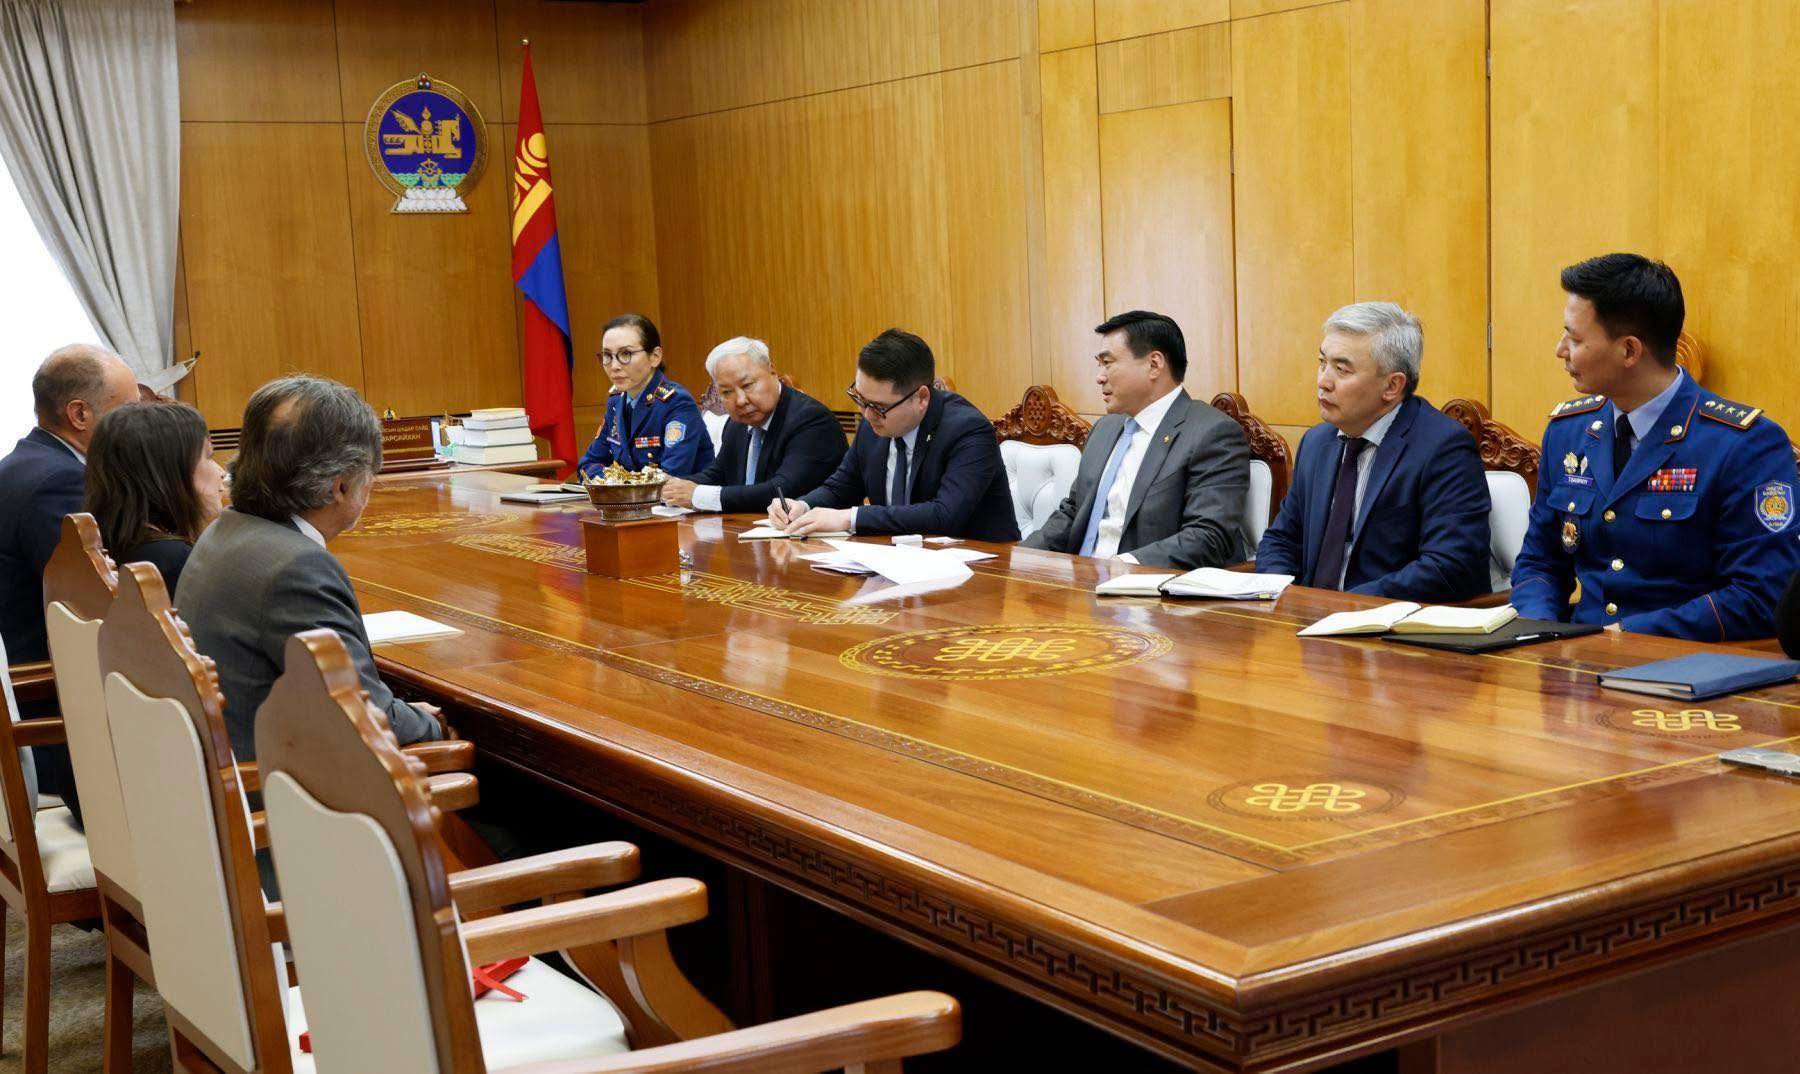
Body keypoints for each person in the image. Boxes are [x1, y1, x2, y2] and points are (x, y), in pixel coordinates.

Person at [1511, 253, 1800, 640]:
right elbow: (1541, 561)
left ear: (1630, 351)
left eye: (1575, 339)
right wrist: (1539, 631)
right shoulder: (1569, 431)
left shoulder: (1744, 445)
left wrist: (1623, 635)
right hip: (1576, 661)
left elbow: (1762, 595)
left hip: (1687, 664)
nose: (1560, 350)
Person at [178, 375, 445, 762]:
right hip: (276, 786)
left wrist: (398, 713)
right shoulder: (296, 568)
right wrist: (433, 727)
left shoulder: (225, 530)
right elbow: (368, 722)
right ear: (341, 487)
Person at [1255, 302, 1491, 601]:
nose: (1323, 381)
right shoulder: (1316, 443)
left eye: (1342, 369)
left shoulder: (1443, 448)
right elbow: (1281, 540)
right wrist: (1285, 596)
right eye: (1322, 362)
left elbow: (1450, 566)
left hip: (1386, 621)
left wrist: (1345, 607)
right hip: (1308, 619)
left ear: (1392, 386)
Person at [1022, 311, 1250, 567]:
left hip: (1146, 584)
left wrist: (1123, 566)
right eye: (1099, 365)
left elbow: (1208, 537)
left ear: (1154, 365)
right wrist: (1019, 557)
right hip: (1079, 581)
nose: (1099, 376)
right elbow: (1074, 511)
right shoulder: (1105, 429)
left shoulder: (1212, 433)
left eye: (1108, 363)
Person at [771, 329, 1018, 542]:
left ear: (921, 398)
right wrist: (803, 506)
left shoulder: (969, 430)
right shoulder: (874, 422)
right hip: (895, 561)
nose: (867, 414)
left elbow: (945, 515)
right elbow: (841, 487)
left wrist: (850, 517)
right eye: (861, 400)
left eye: (878, 406)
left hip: (979, 567)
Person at [0, 344, 138, 665]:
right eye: (130, 410)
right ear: (79, 414)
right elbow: (91, 604)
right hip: (45, 679)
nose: (139, 423)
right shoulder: (60, 483)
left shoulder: (21, 463)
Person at [660, 336, 845, 512]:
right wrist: (670, 486)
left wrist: (699, 496)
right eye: (727, 392)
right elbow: (718, 474)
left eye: (748, 385)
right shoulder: (737, 423)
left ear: (772, 371)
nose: (740, 400)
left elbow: (782, 490)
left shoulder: (810, 419)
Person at [86, 401, 227, 596]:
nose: (221, 471)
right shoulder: (174, 561)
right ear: (170, 472)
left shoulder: (108, 542)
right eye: (209, 457)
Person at [576, 313, 715, 478]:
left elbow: (671, 477)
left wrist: (618, 485)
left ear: (655, 357)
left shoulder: (676, 402)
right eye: (607, 355)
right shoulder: (616, 401)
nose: (614, 366)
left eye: (626, 354)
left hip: (680, 495)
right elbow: (587, 465)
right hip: (631, 495)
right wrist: (612, 483)